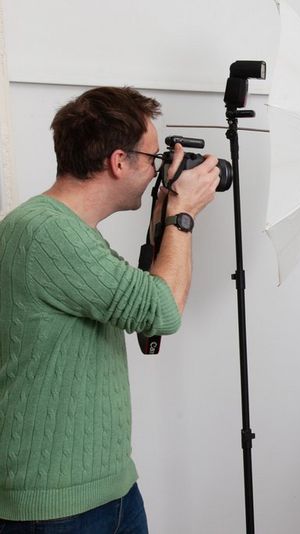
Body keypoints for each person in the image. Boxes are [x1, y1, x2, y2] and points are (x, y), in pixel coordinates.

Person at [0, 87, 220, 532]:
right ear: (119, 162)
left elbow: (142, 301)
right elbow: (162, 310)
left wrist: (164, 214)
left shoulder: (70, 231)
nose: (159, 171)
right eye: (154, 158)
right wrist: (183, 215)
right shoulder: (45, 232)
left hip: (109, 489)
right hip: (57, 506)